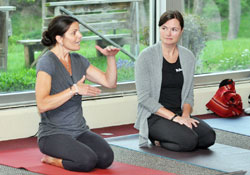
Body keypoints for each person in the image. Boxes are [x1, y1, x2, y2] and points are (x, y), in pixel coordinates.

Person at [35, 15, 120, 172]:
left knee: (106, 158)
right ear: (59, 38)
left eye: (79, 32)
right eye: (74, 33)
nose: (80, 36)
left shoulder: (78, 60)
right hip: (53, 134)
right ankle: (52, 159)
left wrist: (110, 59)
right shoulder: (47, 62)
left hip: (79, 131)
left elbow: (110, 83)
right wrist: (74, 89)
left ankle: (75, 151)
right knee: (86, 161)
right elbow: (42, 104)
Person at [134, 10, 215, 151]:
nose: (168, 33)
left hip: (179, 113)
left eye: (174, 29)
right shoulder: (146, 56)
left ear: (181, 31)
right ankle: (157, 138)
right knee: (189, 141)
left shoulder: (188, 57)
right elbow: (144, 98)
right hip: (154, 116)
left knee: (209, 137)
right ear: (159, 29)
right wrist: (174, 119)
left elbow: (189, 94)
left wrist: (185, 116)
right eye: (164, 28)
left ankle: (173, 136)